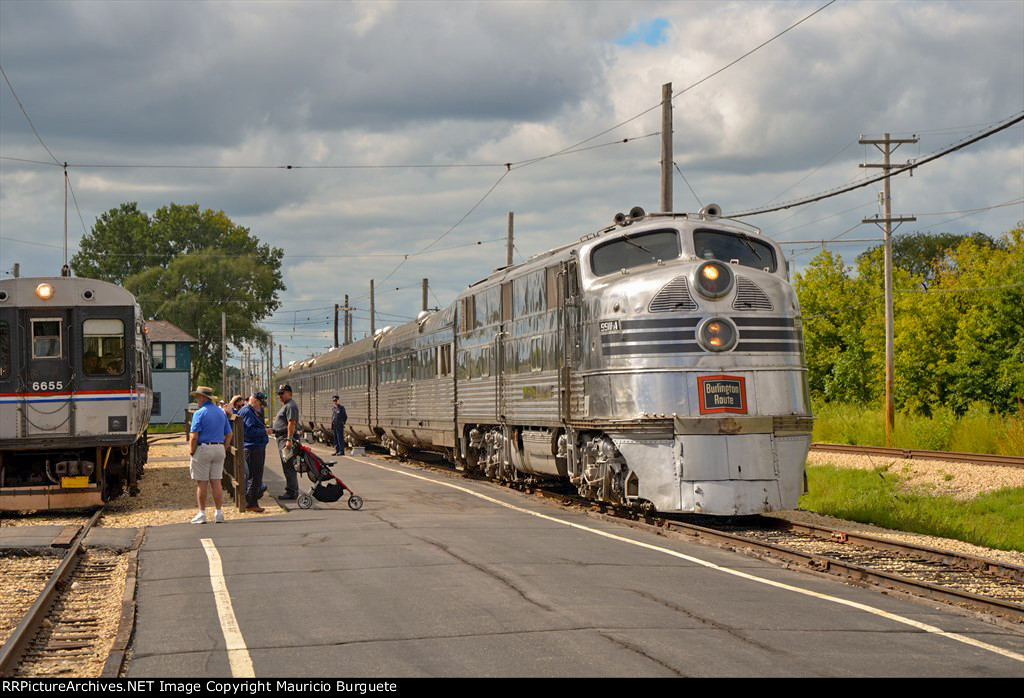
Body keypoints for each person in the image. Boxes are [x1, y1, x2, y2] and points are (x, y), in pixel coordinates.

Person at [188, 386, 233, 524]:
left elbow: (194, 436)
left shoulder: (199, 413)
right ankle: (218, 513)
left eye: (197, 398)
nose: (197, 401)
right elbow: (229, 434)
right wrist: (223, 448)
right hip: (219, 448)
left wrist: (191, 451)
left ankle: (202, 513)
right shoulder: (221, 413)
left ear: (202, 398)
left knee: (202, 482)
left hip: (204, 448)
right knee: (216, 481)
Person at [238, 392, 269, 513]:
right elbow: (249, 431)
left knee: (255, 476)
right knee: (254, 476)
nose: (260, 407)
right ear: (255, 401)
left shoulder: (248, 411)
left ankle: (252, 502)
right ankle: (251, 503)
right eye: (260, 404)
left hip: (254, 447)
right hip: (252, 448)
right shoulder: (248, 412)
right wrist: (264, 431)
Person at [273, 383, 300, 500]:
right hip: (282, 438)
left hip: (286, 439)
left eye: (282, 393)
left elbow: (291, 423)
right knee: (287, 466)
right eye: (279, 394)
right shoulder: (287, 405)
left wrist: (289, 440)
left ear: (290, 393)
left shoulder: (290, 406)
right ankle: (291, 489)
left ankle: (292, 491)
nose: (280, 396)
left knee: (288, 466)